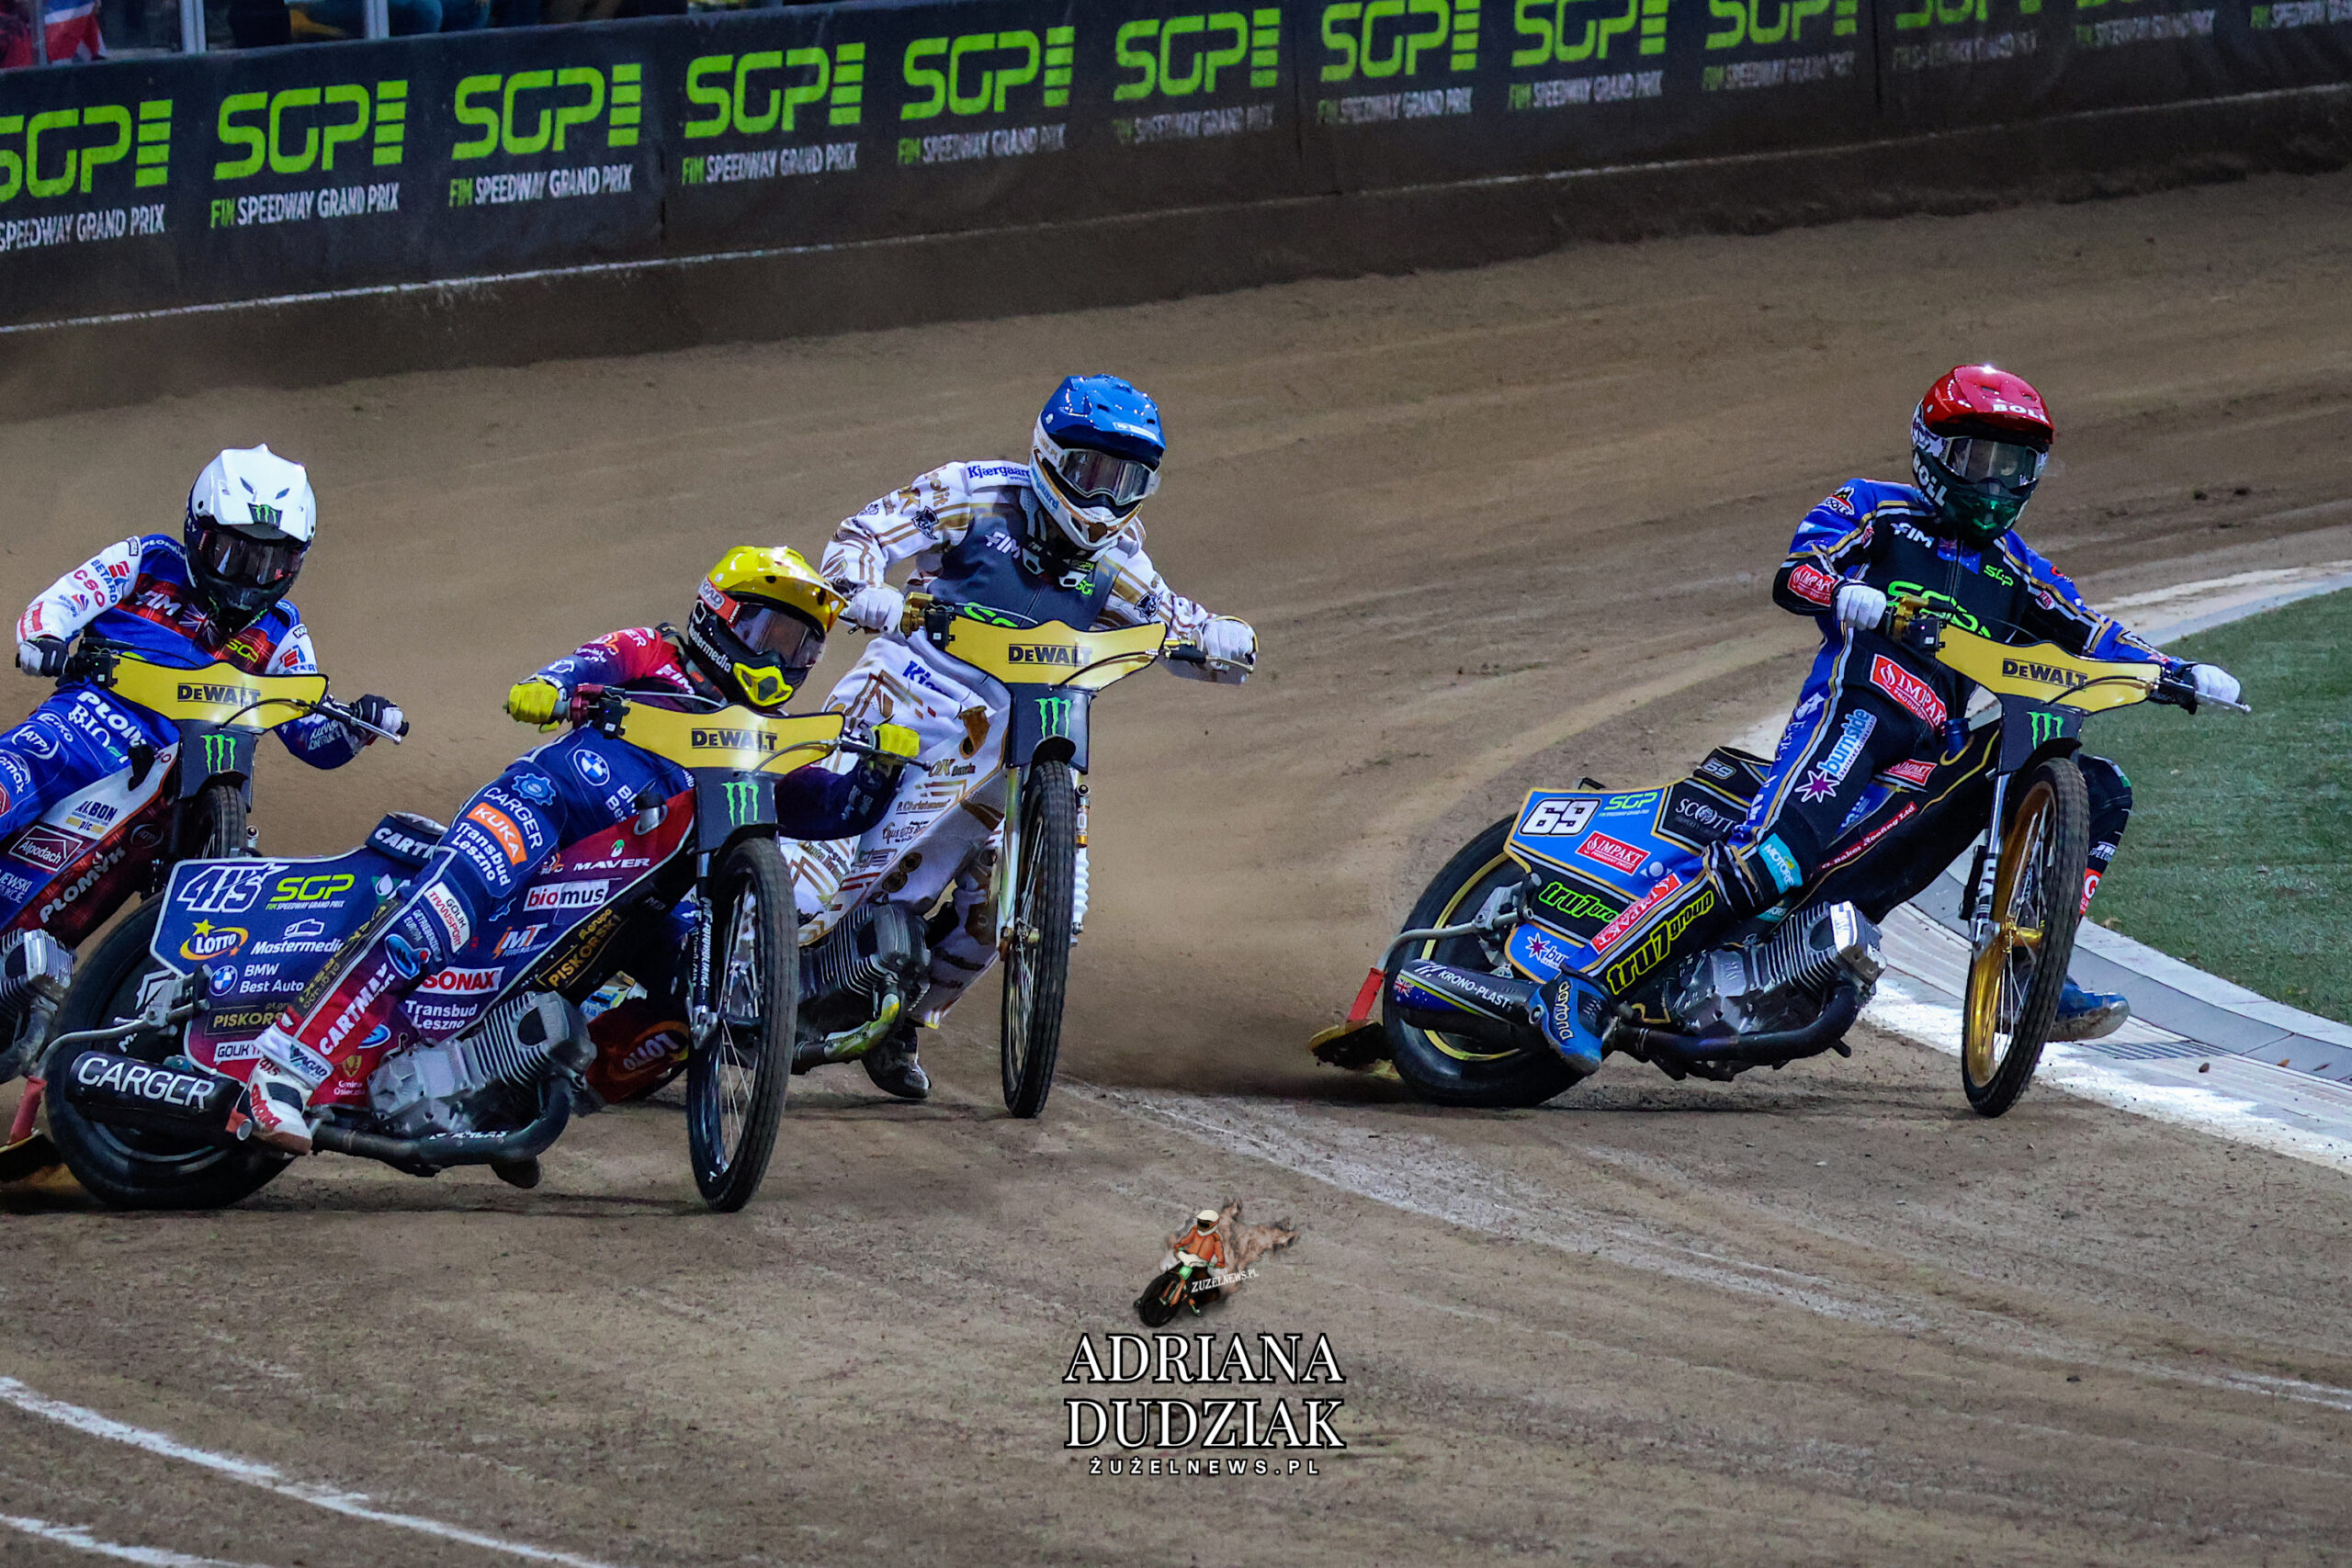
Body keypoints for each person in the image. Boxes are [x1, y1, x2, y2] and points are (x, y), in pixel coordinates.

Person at [1537, 366, 2242, 1061]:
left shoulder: (2020, 568)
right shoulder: (1876, 507)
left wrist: (2178, 672)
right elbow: (1797, 571)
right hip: (1854, 711)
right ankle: (1583, 982)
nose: (1995, 482)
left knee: (2101, 785)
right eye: (1979, 458)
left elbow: (2093, 632)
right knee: (1773, 858)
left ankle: (2028, 969)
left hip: (1930, 751)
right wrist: (1844, 593)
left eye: (2013, 465)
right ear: (1934, 451)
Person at [233, 546, 915, 1153]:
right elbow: (584, 664)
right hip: (542, 810)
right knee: (434, 919)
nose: (780, 659)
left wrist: (885, 765)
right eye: (771, 634)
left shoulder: (765, 743)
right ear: (719, 615)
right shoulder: (654, 651)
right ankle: (283, 1068)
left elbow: (835, 809)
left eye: (800, 647)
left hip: (642, 893)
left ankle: (519, 1088)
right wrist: (550, 690)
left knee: (701, 994)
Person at [800, 374, 1258, 1101]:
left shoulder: (1120, 561)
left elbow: (1176, 622)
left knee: (1001, 905)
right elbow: (862, 536)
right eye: (1090, 471)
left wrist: (1220, 638)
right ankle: (732, 943)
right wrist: (871, 594)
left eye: (1124, 480)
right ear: (1048, 456)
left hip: (1020, 734)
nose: (1103, 497)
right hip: (911, 693)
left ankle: (900, 1021)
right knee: (816, 869)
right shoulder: (973, 491)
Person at [6, 445, 404, 850]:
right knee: (11, 777)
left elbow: (310, 733)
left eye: (270, 562)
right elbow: (64, 601)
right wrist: (45, 638)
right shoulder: (147, 561)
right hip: (78, 732)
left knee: (245, 859)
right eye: (231, 554)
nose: (249, 577)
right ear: (196, 532)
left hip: (178, 780)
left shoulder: (283, 631)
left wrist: (357, 726)